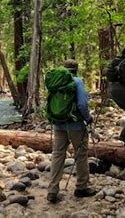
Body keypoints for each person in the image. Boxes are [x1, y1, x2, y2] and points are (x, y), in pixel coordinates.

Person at [47, 59, 95, 203]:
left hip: (58, 124)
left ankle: (52, 190)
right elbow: (81, 104)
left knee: (57, 155)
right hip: (76, 125)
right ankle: (81, 188)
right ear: (76, 69)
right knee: (80, 155)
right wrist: (88, 118)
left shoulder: (56, 81)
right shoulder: (77, 81)